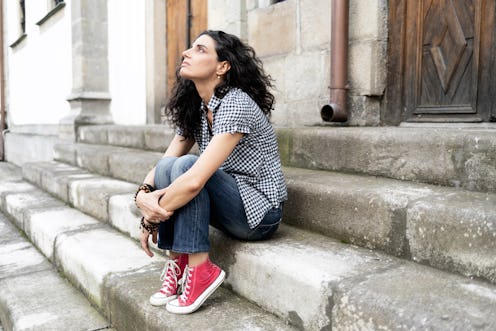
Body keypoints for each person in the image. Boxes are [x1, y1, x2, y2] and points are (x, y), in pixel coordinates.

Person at [134, 30, 287, 315]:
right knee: (172, 166)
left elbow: (193, 182)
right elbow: (163, 164)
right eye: (189, 48)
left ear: (223, 66)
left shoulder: (235, 103)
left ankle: (201, 268)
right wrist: (142, 195)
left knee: (187, 168)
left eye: (200, 49)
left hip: (258, 214)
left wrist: (151, 218)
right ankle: (180, 261)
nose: (186, 53)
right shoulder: (197, 107)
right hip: (228, 201)